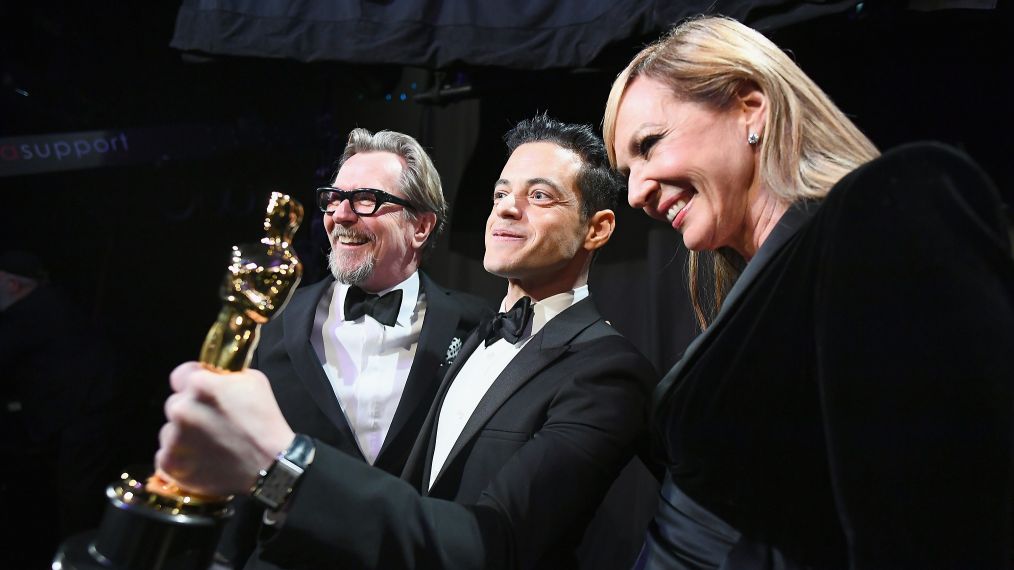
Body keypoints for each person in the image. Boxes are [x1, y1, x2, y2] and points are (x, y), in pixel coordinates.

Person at [601, 15, 1014, 569]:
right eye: (626, 171)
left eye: (649, 145)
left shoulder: (887, 211)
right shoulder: (764, 289)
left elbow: (948, 517)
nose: (634, 194)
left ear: (751, 107)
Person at [156, 115, 657, 569]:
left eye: (540, 196)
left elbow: (499, 543)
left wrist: (281, 461)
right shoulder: (481, 332)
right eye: (500, 195)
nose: (506, 211)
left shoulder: (607, 368)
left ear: (597, 228)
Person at [218, 128, 493, 567]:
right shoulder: (273, 324)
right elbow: (241, 467)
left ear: (420, 226)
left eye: (366, 199)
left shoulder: (479, 330)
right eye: (334, 197)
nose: (341, 215)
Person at [1, 251, 116, 568]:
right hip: (75, 414)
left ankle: (78, 559)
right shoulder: (47, 303)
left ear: (13, 285)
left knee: (77, 499)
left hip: (82, 417)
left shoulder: (35, 310)